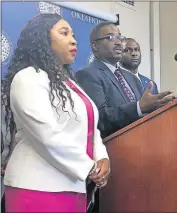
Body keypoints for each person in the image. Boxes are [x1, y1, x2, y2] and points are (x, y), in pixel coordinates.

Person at [1, 13, 110, 212]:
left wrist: (102, 157)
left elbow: (90, 127)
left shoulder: (70, 84)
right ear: (43, 38)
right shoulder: (28, 78)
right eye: (64, 33)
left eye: (74, 34)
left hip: (73, 185)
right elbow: (46, 134)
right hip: (37, 186)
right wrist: (89, 167)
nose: (73, 39)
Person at [75, 22, 177, 138]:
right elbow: (99, 119)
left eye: (119, 37)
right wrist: (138, 107)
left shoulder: (131, 78)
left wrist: (159, 107)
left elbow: (144, 113)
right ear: (95, 46)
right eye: (110, 38)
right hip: (113, 150)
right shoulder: (87, 74)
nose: (118, 43)